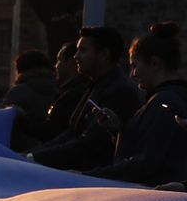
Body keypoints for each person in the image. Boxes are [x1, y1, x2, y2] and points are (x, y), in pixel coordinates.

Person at [84, 23, 187, 186]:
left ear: (154, 63)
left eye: (135, 65)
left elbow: (145, 162)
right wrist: (117, 129)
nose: (133, 74)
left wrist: (89, 177)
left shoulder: (164, 102)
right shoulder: (165, 98)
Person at [30, 26, 143, 171]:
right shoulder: (95, 85)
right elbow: (72, 133)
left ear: (103, 54)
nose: (76, 56)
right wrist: (33, 155)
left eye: (82, 50)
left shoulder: (120, 91)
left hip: (95, 180)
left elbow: (91, 143)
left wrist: (34, 157)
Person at [4, 49, 58, 149]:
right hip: (53, 149)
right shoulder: (60, 90)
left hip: (20, 152)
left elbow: (5, 125)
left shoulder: (18, 92)